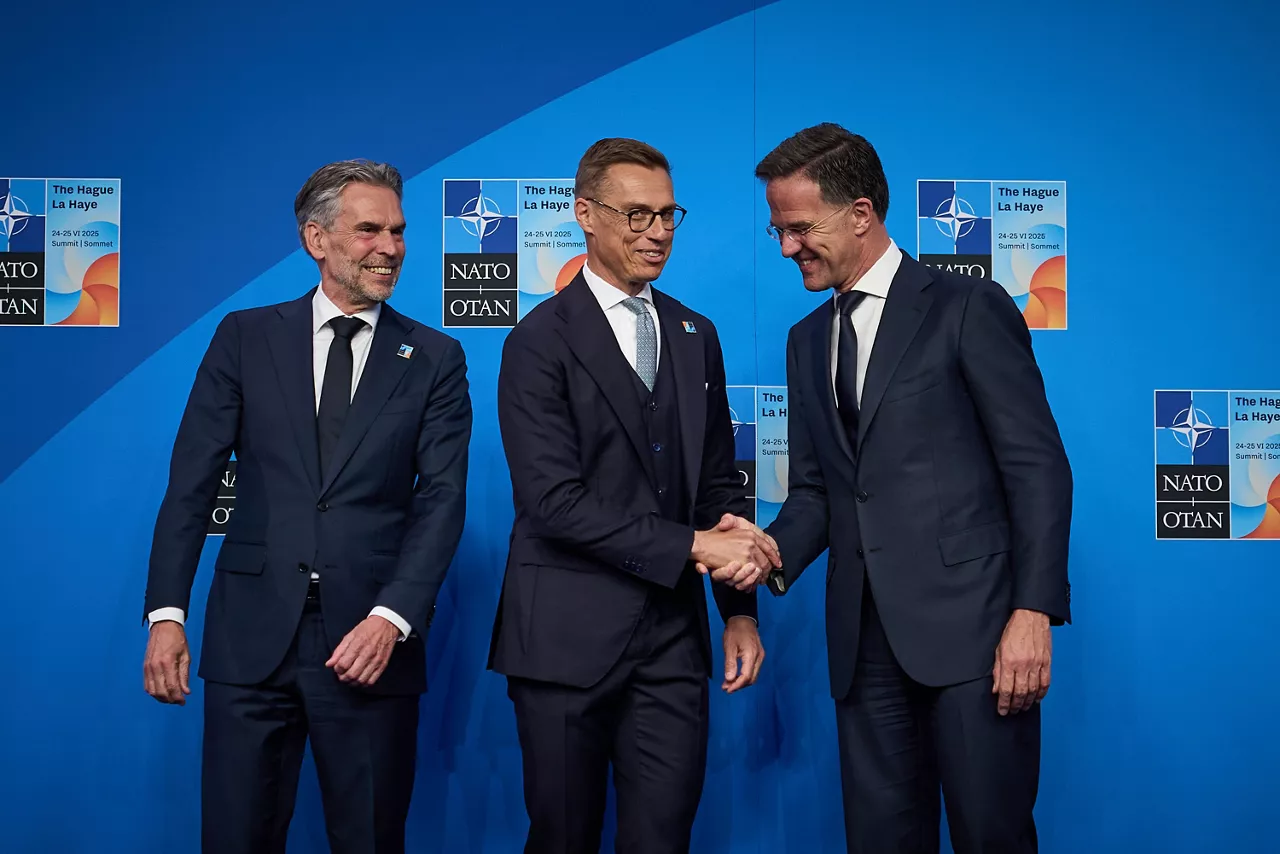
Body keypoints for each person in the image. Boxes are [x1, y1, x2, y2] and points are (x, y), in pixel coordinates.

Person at [747, 123, 1073, 853]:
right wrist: (766, 553)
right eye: (778, 230)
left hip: (977, 640)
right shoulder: (806, 340)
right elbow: (818, 493)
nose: (787, 247)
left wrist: (1033, 613)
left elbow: (1037, 467)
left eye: (800, 228)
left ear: (860, 213)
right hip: (862, 648)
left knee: (992, 837)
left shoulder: (967, 306)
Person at [141, 159, 472, 854]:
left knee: (370, 839)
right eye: (369, 230)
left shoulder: (435, 357)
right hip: (250, 639)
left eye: (398, 231)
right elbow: (192, 483)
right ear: (316, 239)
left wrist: (391, 619)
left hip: (370, 644)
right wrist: (167, 614)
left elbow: (442, 500)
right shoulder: (244, 337)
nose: (390, 247)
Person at [488, 137, 779, 854]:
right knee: (563, 839)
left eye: (667, 214)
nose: (657, 233)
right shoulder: (536, 341)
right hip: (562, 644)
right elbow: (553, 503)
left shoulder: (695, 334)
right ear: (586, 214)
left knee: (663, 840)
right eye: (636, 215)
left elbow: (719, 487)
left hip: (672, 645)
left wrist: (739, 612)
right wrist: (693, 545)